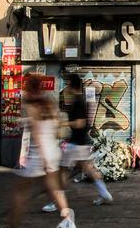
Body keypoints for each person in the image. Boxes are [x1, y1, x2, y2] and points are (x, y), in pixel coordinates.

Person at [0, 75, 76, 228]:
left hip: (38, 157)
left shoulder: (32, 106)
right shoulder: (49, 104)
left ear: (30, 89)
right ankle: (67, 221)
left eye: (25, 87)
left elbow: (37, 134)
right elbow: (56, 128)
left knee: (20, 195)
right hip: (52, 152)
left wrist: (44, 159)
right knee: (55, 190)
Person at [41, 73, 113, 213]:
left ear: (70, 84)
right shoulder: (81, 99)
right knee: (89, 168)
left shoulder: (78, 101)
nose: (65, 87)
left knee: (63, 171)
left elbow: (80, 123)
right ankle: (105, 194)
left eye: (67, 83)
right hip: (83, 142)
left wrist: (63, 123)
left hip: (76, 143)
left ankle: (56, 202)